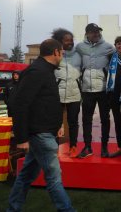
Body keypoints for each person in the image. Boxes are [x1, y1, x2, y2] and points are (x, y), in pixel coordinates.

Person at [7, 39, 74, 211]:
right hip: (40, 135)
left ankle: (13, 208)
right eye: (62, 52)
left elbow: (44, 103)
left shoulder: (45, 70)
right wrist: (21, 137)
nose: (63, 56)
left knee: (26, 176)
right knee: (54, 179)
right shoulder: (37, 71)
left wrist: (57, 125)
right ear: (56, 52)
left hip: (45, 132)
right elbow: (19, 103)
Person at [75, 23, 115, 158]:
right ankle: (87, 147)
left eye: (98, 31)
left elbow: (118, 61)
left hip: (104, 89)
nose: (96, 34)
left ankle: (104, 147)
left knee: (105, 119)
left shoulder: (109, 47)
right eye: (93, 32)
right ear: (87, 34)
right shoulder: (80, 47)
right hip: (86, 89)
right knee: (86, 119)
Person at [52, 28, 82, 158]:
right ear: (60, 41)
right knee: (55, 122)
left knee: (73, 122)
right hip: (57, 93)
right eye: (67, 40)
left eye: (71, 40)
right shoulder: (54, 54)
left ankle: (73, 147)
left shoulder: (78, 54)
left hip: (74, 92)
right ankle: (54, 148)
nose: (70, 42)